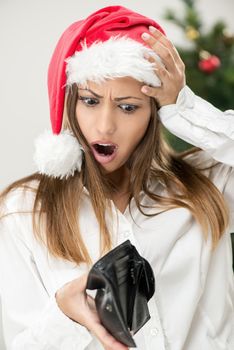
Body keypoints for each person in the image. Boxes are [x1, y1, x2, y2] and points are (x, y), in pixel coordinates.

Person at [0, 5, 233, 350]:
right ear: (70, 104)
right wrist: (66, 316)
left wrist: (184, 108)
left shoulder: (208, 183)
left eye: (128, 107)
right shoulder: (23, 211)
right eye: (90, 101)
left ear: (154, 113)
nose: (105, 126)